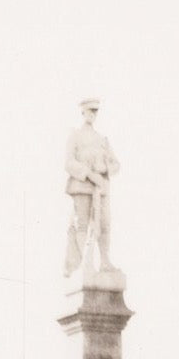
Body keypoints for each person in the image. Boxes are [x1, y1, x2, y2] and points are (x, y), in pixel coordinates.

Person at [63, 98, 120, 277]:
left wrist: (107, 168)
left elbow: (115, 163)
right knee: (84, 226)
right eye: (89, 111)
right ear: (83, 112)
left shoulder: (102, 139)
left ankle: (104, 261)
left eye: (95, 111)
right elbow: (69, 162)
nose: (92, 115)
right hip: (82, 186)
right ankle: (84, 264)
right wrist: (89, 174)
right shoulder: (75, 135)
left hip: (101, 189)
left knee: (104, 225)